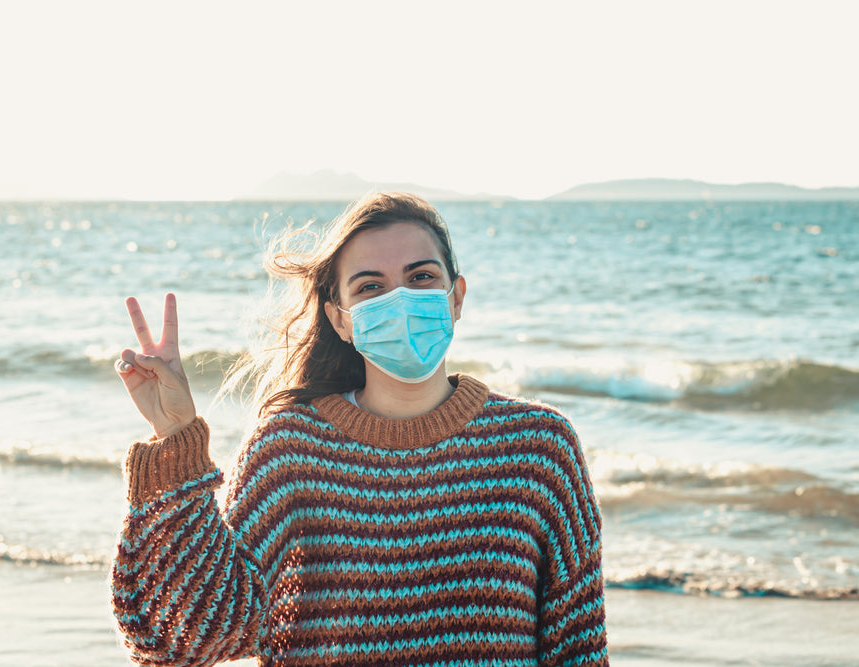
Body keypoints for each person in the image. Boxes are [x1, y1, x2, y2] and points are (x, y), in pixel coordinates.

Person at [111, 192, 609, 666]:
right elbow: (178, 641)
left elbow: (578, 649)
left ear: (456, 297)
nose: (400, 299)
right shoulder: (290, 451)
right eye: (370, 287)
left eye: (421, 277)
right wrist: (175, 437)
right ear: (341, 319)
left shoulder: (541, 449)